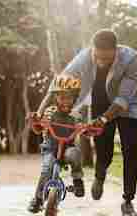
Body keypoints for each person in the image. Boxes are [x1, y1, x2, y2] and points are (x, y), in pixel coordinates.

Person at [37, 29, 137, 216]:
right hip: (101, 100)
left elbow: (123, 98)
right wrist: (40, 110)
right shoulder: (85, 56)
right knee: (104, 149)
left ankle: (128, 201)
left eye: (106, 59)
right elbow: (60, 81)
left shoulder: (131, 58)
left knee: (130, 149)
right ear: (93, 50)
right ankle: (100, 174)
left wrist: (103, 119)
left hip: (128, 106)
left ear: (115, 51)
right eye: (98, 57)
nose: (101, 62)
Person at [27, 74, 85, 214]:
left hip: (67, 149)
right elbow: (37, 129)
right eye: (62, 97)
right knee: (46, 169)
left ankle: (77, 181)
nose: (65, 101)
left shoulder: (76, 115)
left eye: (69, 98)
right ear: (56, 98)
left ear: (74, 99)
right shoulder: (49, 112)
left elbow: (85, 130)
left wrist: (85, 129)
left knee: (75, 153)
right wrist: (36, 122)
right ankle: (38, 199)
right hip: (50, 149)